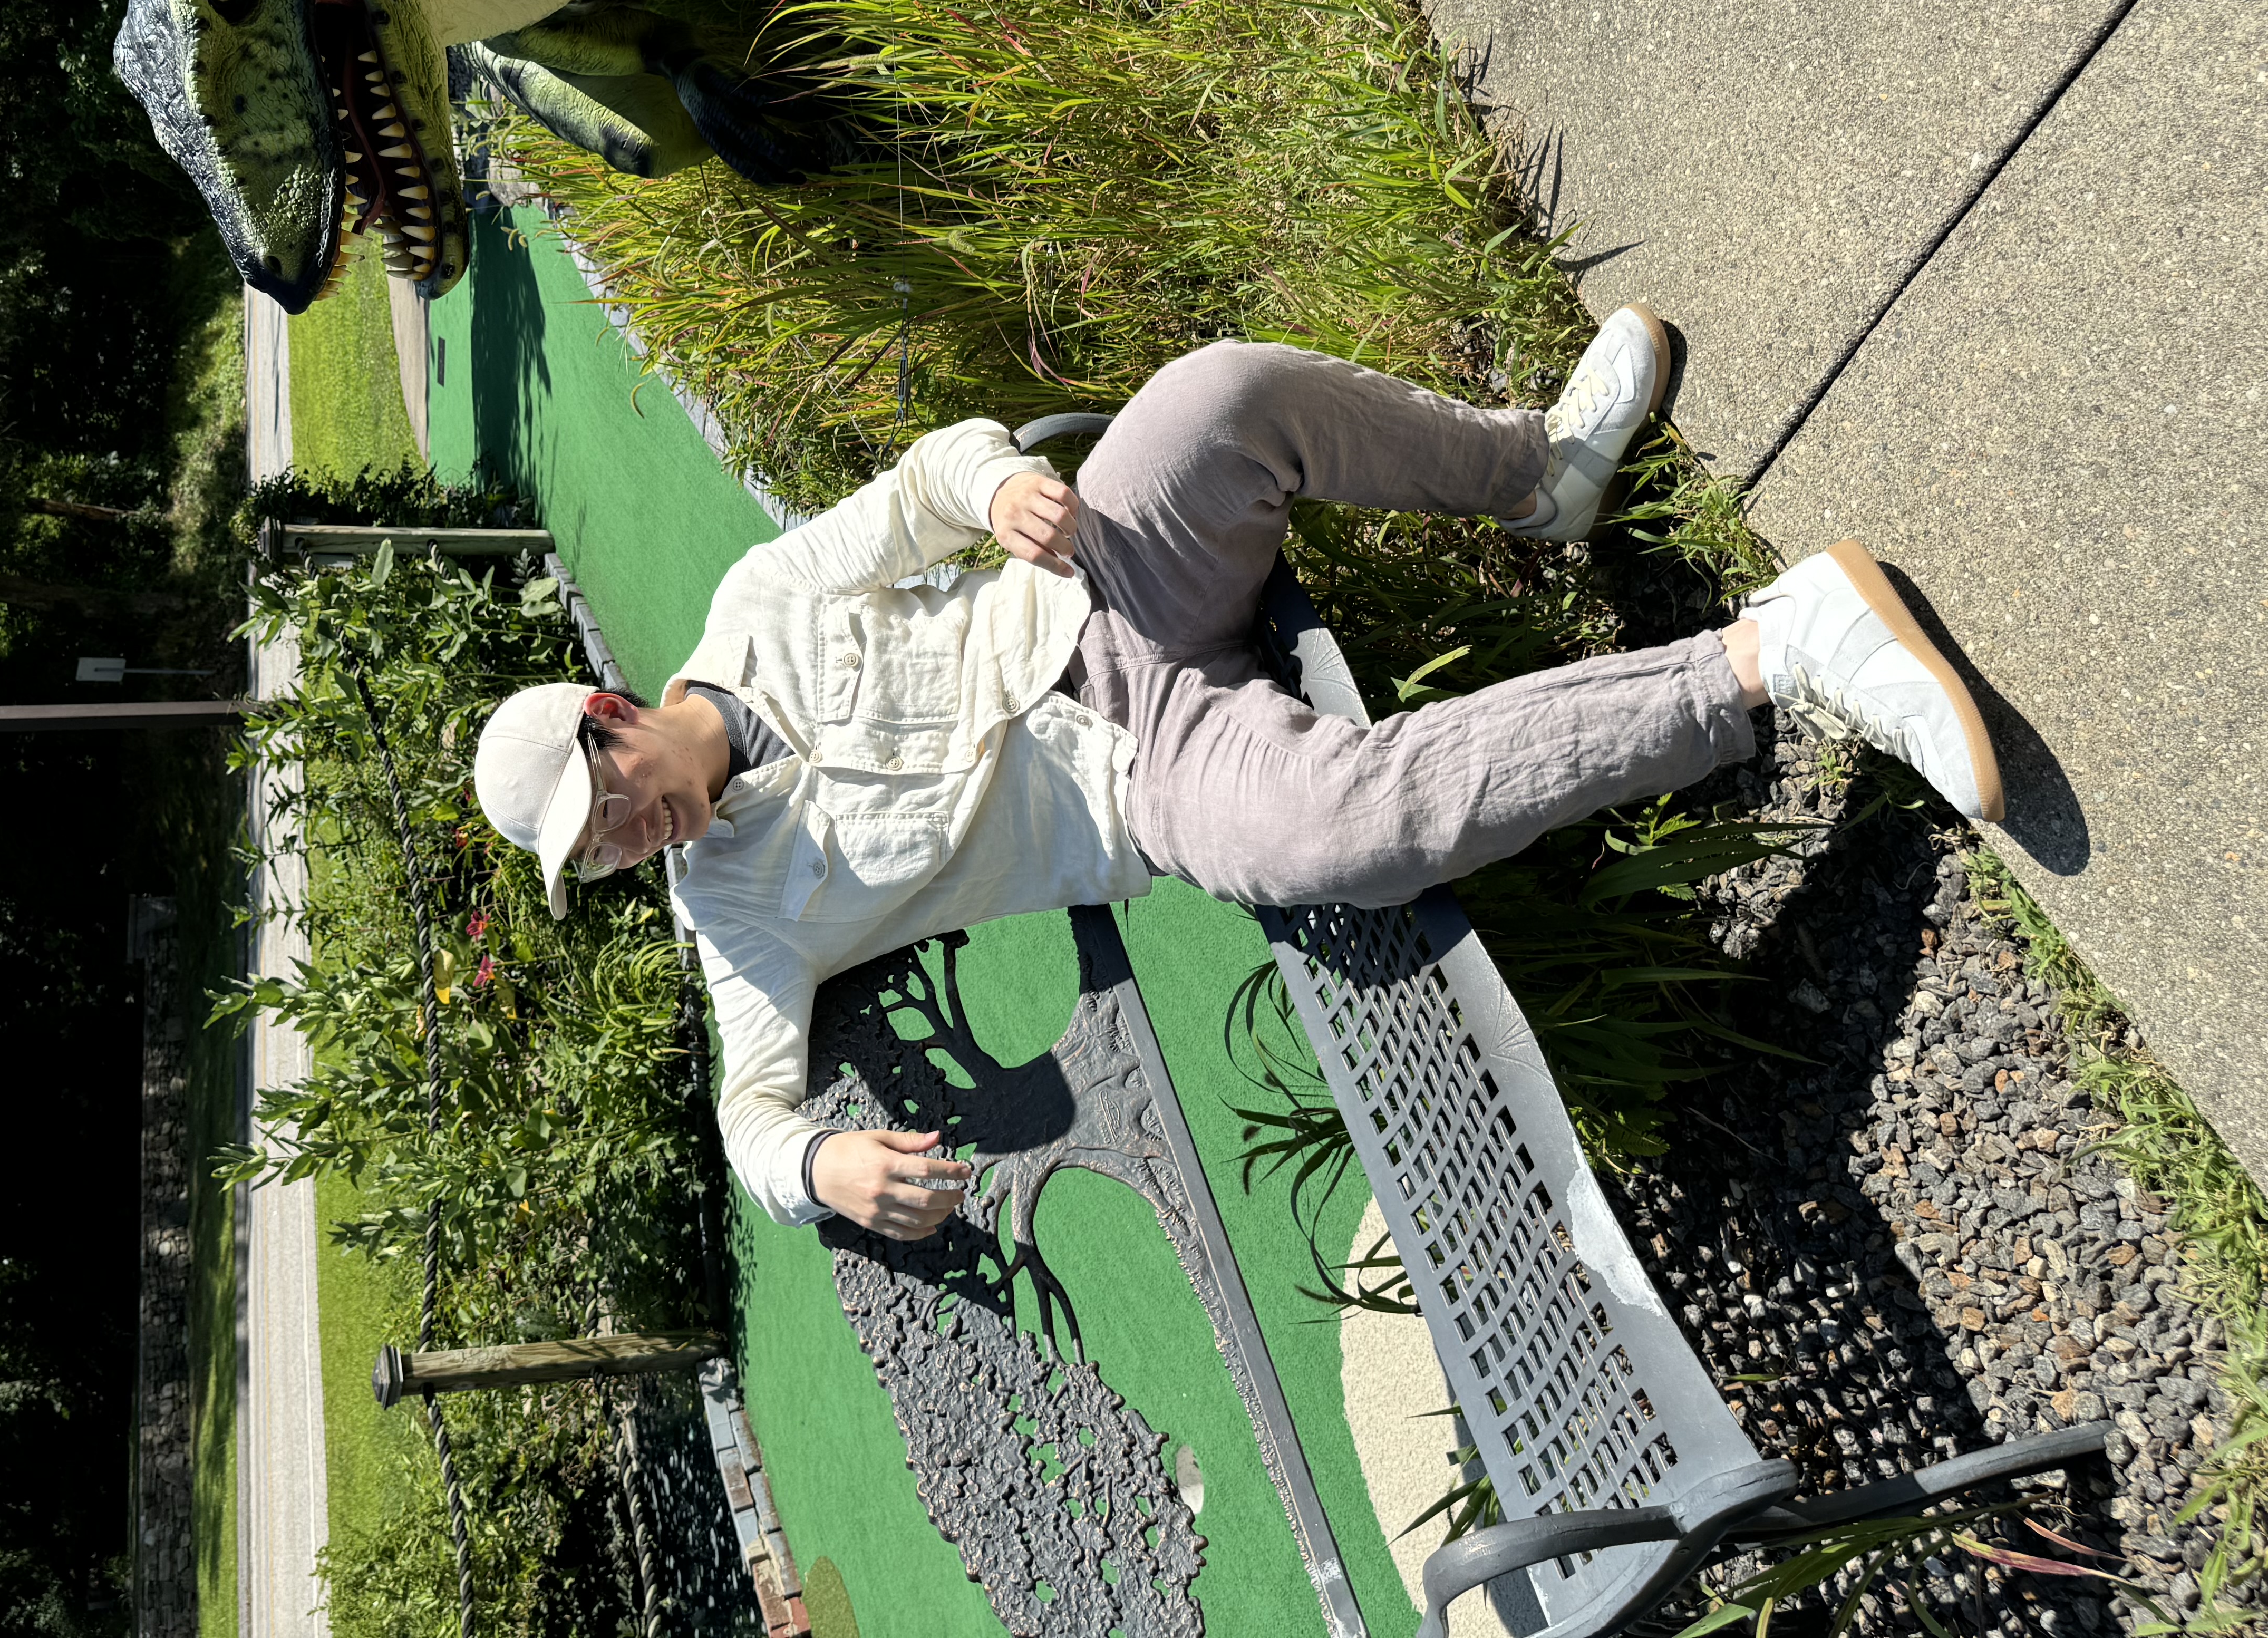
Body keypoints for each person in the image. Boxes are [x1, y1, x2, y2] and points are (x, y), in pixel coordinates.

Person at [472, 313, 2000, 1244]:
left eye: (603, 805)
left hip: (1102, 586)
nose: (625, 843)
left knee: (1215, 394)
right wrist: (817, 1162)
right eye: (594, 857)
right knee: (1348, 828)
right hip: (1141, 779)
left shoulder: (757, 600)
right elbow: (750, 1121)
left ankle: (1540, 476)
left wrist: (996, 478)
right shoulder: (734, 914)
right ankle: (1776, 651)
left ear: (612, 712)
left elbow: (919, 490)